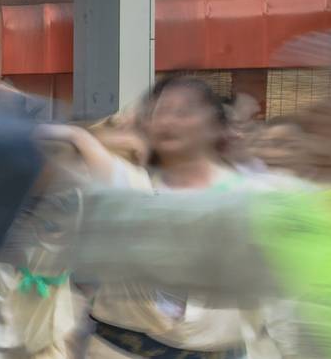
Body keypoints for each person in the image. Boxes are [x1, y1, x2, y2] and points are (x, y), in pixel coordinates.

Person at [84, 75, 303, 359]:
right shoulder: (123, 182)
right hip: (122, 348)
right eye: (160, 113)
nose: (169, 122)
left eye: (184, 112)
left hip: (218, 347)